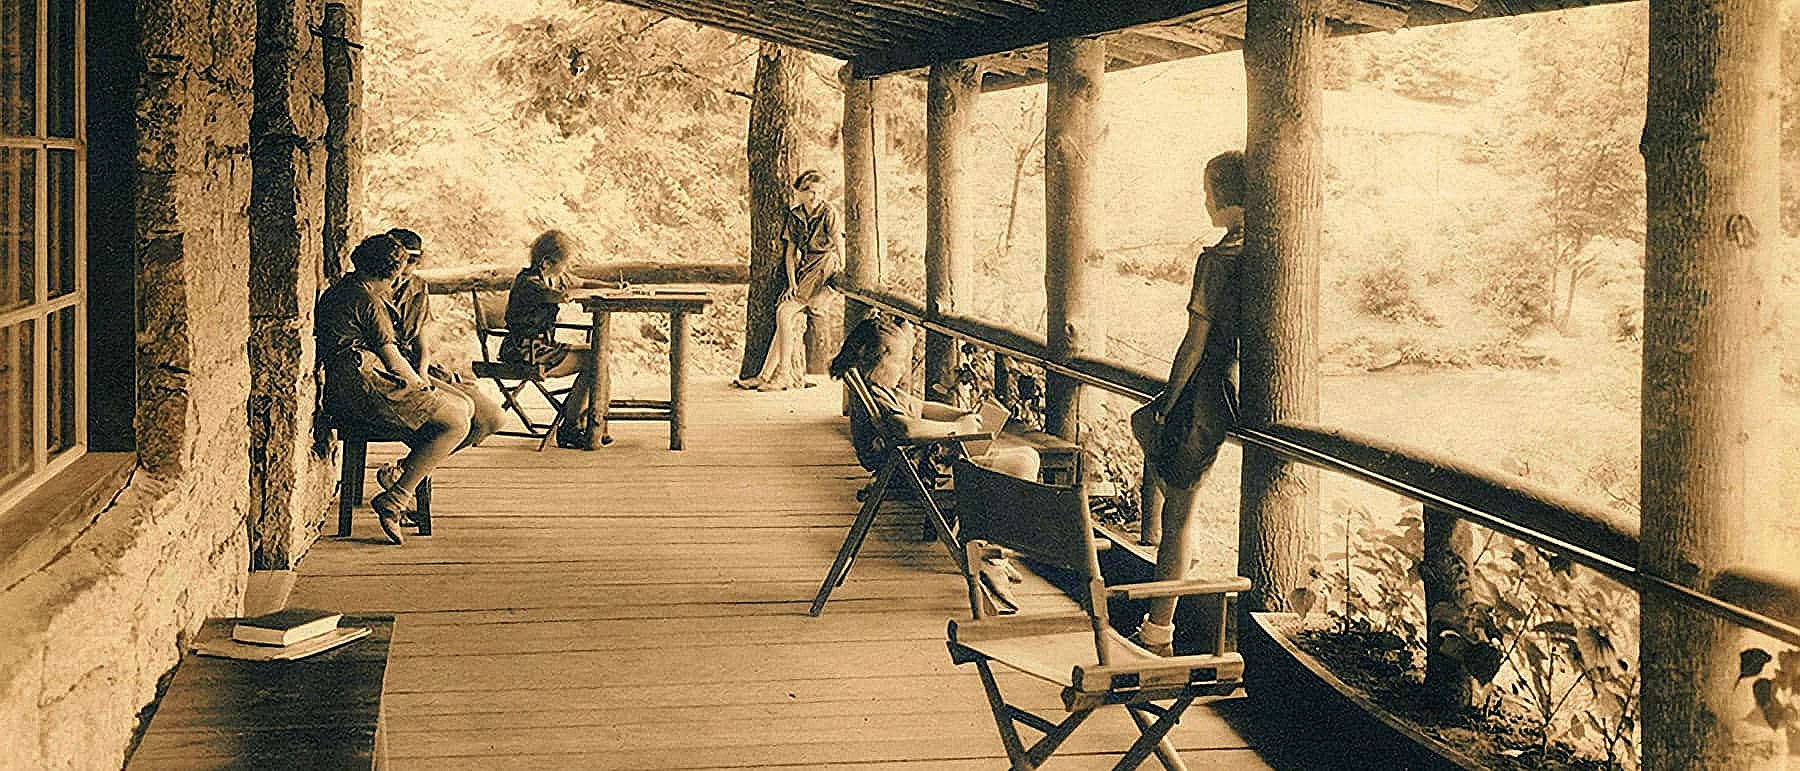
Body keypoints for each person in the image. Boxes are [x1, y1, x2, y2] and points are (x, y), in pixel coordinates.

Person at [830, 313, 1041, 612]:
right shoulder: (878, 395)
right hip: (921, 473)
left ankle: (990, 552)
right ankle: (988, 552)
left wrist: (958, 415)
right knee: (1023, 461)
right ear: (876, 359)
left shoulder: (879, 388)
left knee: (1021, 457)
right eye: (899, 362)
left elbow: (923, 408)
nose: (903, 369)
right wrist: (959, 430)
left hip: (922, 464)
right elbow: (908, 429)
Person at [1129, 150, 1247, 655]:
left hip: (1206, 389)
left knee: (1178, 510)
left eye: (1207, 191)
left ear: (1224, 196)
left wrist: (1166, 401)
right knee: (1184, 503)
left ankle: (1158, 633)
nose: (1204, 201)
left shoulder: (1218, 260)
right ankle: (1179, 575)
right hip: (1239, 386)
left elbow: (1194, 342)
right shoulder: (1262, 251)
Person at [316, 234, 474, 544]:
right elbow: (393, 360)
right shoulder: (369, 301)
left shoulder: (341, 291)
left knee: (462, 408)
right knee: (457, 421)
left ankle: (402, 480)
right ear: (394, 270)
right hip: (363, 388)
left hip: (342, 388)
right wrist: (420, 387)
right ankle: (397, 495)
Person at [378, 228, 504, 471]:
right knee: (459, 413)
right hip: (392, 372)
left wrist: (423, 370)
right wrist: (415, 380)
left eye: (411, 265)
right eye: (401, 266)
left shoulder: (417, 287)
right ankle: (407, 478)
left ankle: (407, 469)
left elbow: (421, 341)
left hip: (418, 367)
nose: (403, 273)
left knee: (492, 419)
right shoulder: (374, 288)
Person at [734, 169, 840, 391]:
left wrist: (842, 273)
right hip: (804, 268)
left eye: (819, 192)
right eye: (809, 192)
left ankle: (784, 375)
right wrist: (792, 283)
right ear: (799, 193)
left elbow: (838, 244)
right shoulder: (795, 215)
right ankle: (764, 376)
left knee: (784, 312)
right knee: (785, 318)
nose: (814, 197)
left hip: (823, 266)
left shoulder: (828, 212)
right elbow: (790, 253)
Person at [499, 230, 599, 449]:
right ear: (546, 263)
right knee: (596, 362)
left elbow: (580, 282)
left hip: (540, 347)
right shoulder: (530, 283)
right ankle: (573, 426)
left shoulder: (551, 275)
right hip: (525, 351)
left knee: (598, 356)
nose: (566, 270)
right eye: (564, 264)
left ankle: (588, 423)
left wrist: (612, 287)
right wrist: (571, 294)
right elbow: (560, 296)